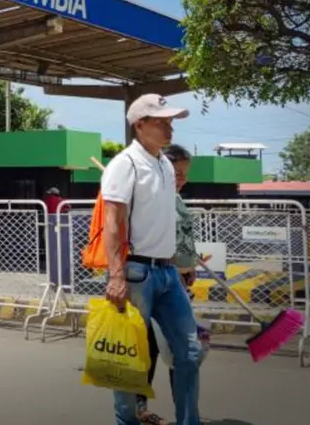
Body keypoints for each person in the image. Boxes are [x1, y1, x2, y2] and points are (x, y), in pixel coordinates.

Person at [100, 93, 200, 425]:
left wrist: (180, 265)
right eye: (162, 122)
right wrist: (116, 276)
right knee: (128, 361)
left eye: (171, 122)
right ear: (140, 125)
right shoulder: (124, 165)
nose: (169, 129)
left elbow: (166, 219)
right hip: (135, 273)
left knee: (189, 352)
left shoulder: (165, 166)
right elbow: (112, 222)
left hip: (168, 273)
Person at [136, 144, 199, 425]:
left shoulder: (176, 200)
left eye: (185, 174)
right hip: (153, 279)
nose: (182, 178)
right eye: (177, 172)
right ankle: (138, 409)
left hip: (176, 283)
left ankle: (183, 414)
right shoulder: (152, 200)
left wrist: (189, 267)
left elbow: (183, 236)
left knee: (181, 349)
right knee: (147, 347)